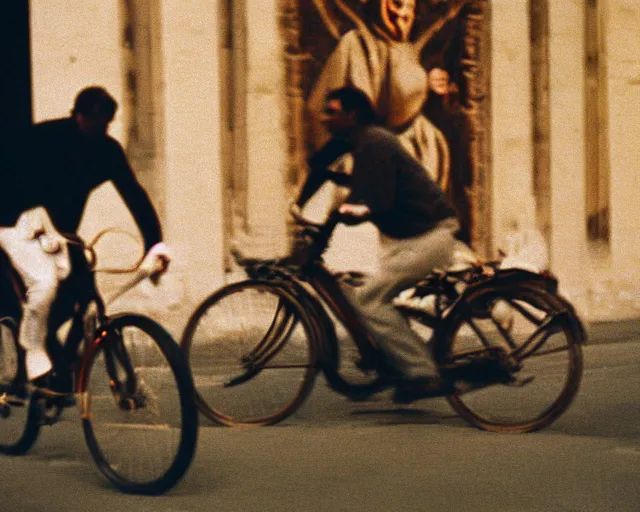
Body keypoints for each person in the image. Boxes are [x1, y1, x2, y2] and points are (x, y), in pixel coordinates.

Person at [0, 86, 169, 395]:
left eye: (107, 123)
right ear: (78, 116)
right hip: (16, 225)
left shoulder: (107, 151)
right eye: (96, 122)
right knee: (43, 294)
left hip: (62, 235)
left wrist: (154, 243)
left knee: (85, 291)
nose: (102, 129)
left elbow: (134, 195)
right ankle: (38, 362)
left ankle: (62, 361)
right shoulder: (45, 139)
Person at [306, 86, 460, 402]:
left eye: (332, 112)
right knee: (359, 287)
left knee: (367, 299)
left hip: (428, 236)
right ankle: (396, 361)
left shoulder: (374, 142)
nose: (324, 118)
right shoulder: (352, 141)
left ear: (353, 114)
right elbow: (319, 165)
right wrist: (298, 207)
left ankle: (421, 373)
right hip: (409, 236)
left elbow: (380, 198)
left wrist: (353, 209)